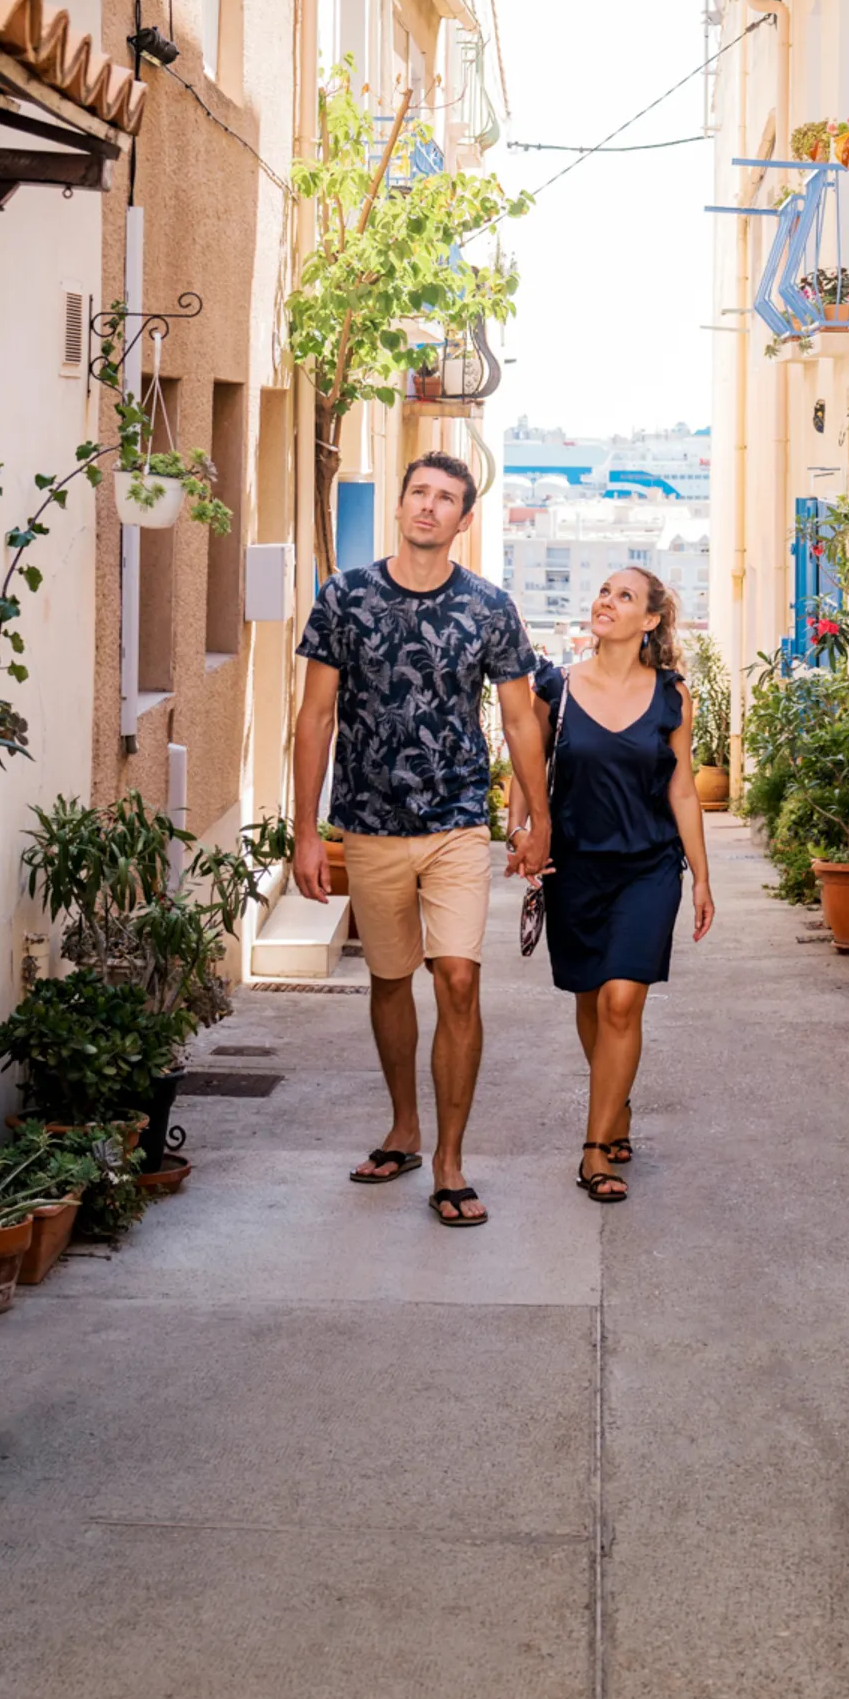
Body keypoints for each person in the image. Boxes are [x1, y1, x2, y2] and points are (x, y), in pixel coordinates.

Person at [292, 452, 550, 1228]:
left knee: (460, 980)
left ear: (464, 520)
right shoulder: (344, 598)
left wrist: (539, 816)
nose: (429, 508)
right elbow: (314, 718)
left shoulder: (490, 607)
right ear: (401, 505)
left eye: (445, 499)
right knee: (389, 978)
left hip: (457, 821)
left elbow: (518, 719)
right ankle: (404, 1127)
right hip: (368, 824)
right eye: (418, 494)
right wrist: (306, 832)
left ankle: (450, 1161)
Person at [529, 566, 714, 1203]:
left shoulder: (671, 695)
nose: (607, 601)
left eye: (625, 596)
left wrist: (701, 877)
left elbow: (683, 788)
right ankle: (619, 1104)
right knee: (590, 999)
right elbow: (528, 773)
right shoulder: (554, 686)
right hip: (574, 868)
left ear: (652, 620)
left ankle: (595, 1148)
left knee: (620, 1002)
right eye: (605, 591)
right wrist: (523, 831)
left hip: (648, 867)